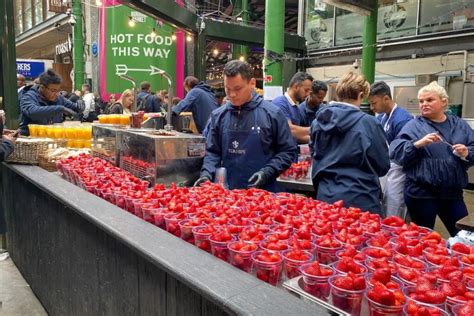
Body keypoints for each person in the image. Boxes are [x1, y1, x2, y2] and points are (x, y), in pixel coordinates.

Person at [195, 60, 297, 191]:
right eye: (227, 89)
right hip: (229, 196)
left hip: (264, 194)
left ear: (252, 83)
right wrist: (207, 174)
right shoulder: (218, 116)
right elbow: (213, 152)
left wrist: (268, 171)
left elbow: (288, 151)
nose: (232, 94)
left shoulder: (272, 114)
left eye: (237, 89)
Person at [390, 81, 474, 236]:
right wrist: (416, 145)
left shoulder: (460, 125)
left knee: (464, 235)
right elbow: (396, 153)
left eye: (429, 100)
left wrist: (467, 152)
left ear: (444, 101)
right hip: (421, 194)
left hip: (452, 193)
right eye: (421, 101)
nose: (424, 104)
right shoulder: (412, 126)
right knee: (422, 238)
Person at [310, 72, 390, 214]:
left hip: (326, 197)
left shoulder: (318, 122)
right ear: (360, 95)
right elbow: (382, 166)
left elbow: (314, 154)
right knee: (361, 236)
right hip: (361, 200)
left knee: (329, 235)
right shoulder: (369, 124)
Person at [369, 81, 413, 218]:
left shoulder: (402, 119)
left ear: (386, 98)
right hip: (387, 167)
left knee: (394, 205)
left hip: (399, 170)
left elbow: (405, 151)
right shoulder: (382, 117)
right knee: (385, 202)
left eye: (374, 103)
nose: (371, 107)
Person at [18, 69, 84, 135]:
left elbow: (74, 107)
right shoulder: (28, 96)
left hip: (52, 138)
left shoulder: (58, 98)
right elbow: (32, 112)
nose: (56, 93)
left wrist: (80, 104)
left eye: (58, 90)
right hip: (31, 138)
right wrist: (59, 109)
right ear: (42, 87)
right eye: (53, 90)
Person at [272, 72, 313, 143]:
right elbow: (290, 130)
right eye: (306, 90)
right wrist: (316, 129)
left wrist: (315, 140)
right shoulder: (280, 103)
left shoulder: (295, 107)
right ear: (296, 87)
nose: (307, 94)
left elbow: (295, 135)